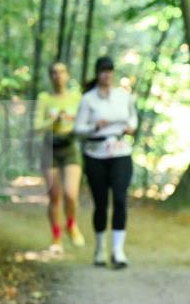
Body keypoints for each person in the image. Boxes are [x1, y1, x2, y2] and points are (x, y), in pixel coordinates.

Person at [73, 56, 137, 269]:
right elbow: (78, 129)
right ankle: (100, 248)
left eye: (110, 71)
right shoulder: (88, 99)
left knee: (119, 199)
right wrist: (94, 127)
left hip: (120, 152)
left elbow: (133, 119)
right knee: (101, 203)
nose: (106, 75)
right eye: (103, 70)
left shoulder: (123, 97)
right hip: (95, 154)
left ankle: (118, 251)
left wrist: (130, 128)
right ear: (97, 73)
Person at [34, 61, 84, 254]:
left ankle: (71, 225)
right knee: (55, 197)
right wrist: (53, 120)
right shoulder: (44, 98)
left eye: (61, 72)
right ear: (50, 76)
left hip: (70, 147)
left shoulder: (76, 98)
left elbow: (83, 122)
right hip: (50, 148)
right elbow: (37, 126)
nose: (58, 76)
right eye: (54, 72)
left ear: (68, 75)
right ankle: (56, 237)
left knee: (71, 194)